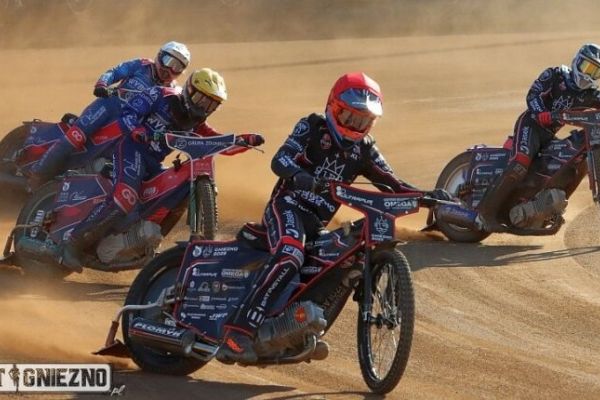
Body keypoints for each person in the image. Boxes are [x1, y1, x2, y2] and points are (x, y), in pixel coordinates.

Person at [216, 71, 453, 363]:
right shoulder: (312, 126)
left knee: (342, 261)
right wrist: (299, 176)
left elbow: (394, 185)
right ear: (333, 107)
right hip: (287, 206)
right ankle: (237, 332)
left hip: (316, 224)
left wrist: (428, 197)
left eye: (363, 121)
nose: (355, 126)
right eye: (350, 117)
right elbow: (280, 159)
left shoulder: (365, 149)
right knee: (291, 253)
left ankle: (296, 331)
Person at [57, 68, 264, 270]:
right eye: (202, 100)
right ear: (189, 91)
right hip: (131, 150)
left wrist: (244, 140)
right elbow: (128, 113)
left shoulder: (197, 125)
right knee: (124, 198)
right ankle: (73, 243)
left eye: (211, 105)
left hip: (153, 164)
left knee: (175, 191)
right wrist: (137, 130)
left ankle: (141, 242)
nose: (204, 107)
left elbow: (219, 143)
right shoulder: (161, 94)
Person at [28, 41, 192, 188]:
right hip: (108, 108)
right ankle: (38, 173)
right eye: (168, 61)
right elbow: (115, 72)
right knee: (76, 137)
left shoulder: (172, 92)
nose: (169, 69)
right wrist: (102, 84)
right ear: (159, 56)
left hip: (129, 126)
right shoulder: (141, 65)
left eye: (177, 67)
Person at [477, 43, 600, 231]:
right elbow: (533, 94)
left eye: (595, 72)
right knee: (519, 164)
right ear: (577, 61)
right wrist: (541, 112)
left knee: (575, 167)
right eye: (587, 67)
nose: (589, 75)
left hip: (549, 134)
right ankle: (485, 214)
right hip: (532, 125)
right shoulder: (556, 74)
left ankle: (544, 209)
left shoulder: (590, 94)